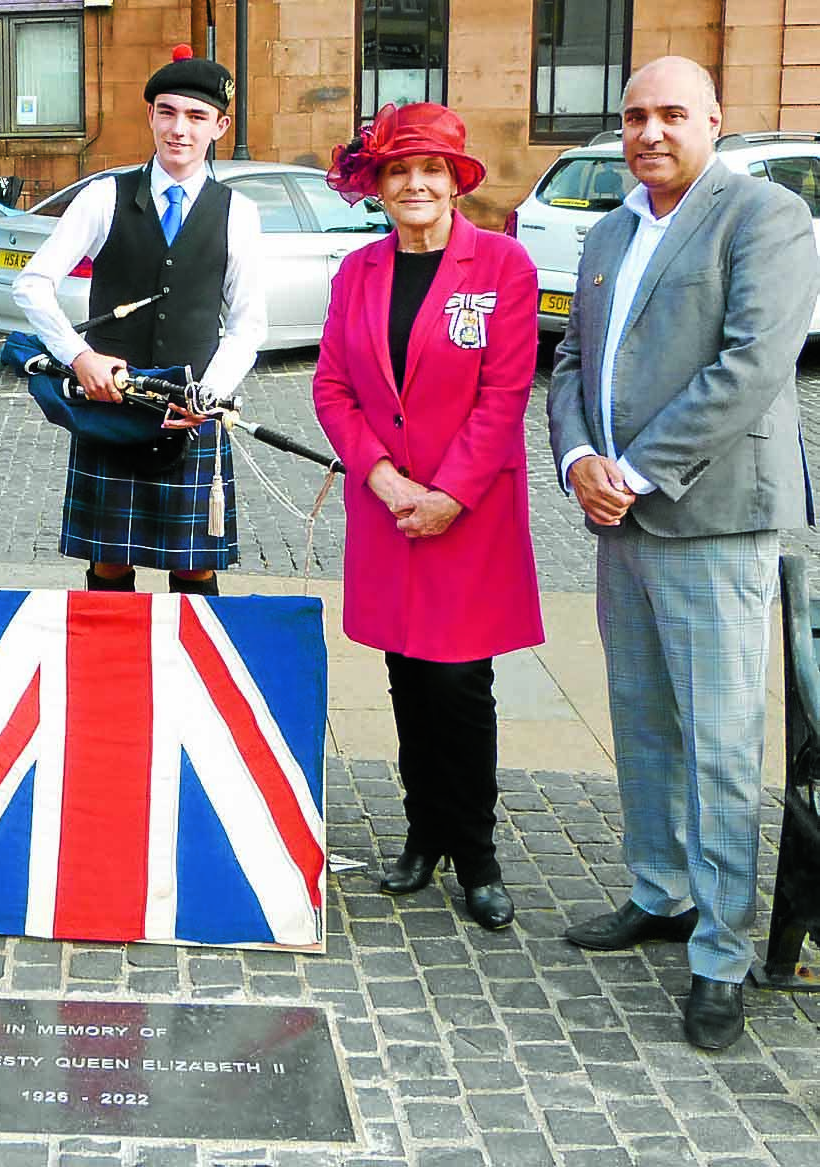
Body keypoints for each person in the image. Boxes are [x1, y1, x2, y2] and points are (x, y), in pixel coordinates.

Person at [547, 56, 820, 1050]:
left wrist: (635, 468)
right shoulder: (614, 228)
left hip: (710, 517)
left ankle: (720, 951)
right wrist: (579, 455)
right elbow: (572, 359)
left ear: (714, 120)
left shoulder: (763, 216)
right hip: (620, 519)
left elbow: (753, 361)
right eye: (634, 116)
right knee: (646, 720)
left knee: (717, 740)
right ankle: (660, 892)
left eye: (671, 114)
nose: (650, 131)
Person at [311, 102, 544, 934]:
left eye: (431, 170)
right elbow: (331, 385)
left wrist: (446, 493)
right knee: (406, 672)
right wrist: (379, 478)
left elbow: (505, 392)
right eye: (398, 171)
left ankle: (475, 851)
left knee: (458, 680)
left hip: (466, 512)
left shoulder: (502, 267)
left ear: (454, 182)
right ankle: (421, 833)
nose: (415, 184)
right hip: (386, 509)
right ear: (378, 185)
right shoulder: (358, 273)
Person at [12, 44, 267, 596]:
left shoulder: (237, 214)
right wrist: (78, 357)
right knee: (107, 562)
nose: (180, 129)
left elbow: (249, 325)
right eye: (168, 112)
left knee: (195, 566)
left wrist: (211, 395)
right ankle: (107, 677)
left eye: (197, 117)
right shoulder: (104, 196)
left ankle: (193, 678)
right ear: (150, 115)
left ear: (220, 126)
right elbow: (32, 284)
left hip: (189, 413)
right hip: (111, 410)